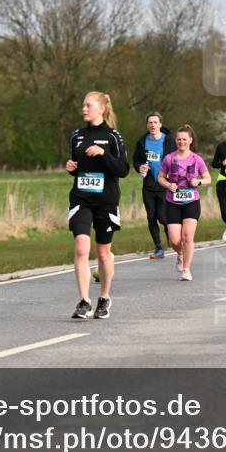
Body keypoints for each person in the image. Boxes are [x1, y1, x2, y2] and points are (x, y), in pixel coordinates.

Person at [66, 91, 129, 320]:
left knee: (103, 252)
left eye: (88, 105)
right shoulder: (77, 136)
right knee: (82, 248)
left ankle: (104, 297)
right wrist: (71, 168)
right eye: (83, 105)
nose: (84, 109)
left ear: (101, 109)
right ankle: (84, 301)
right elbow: (77, 167)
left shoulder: (113, 137)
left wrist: (103, 154)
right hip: (81, 199)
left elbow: (123, 169)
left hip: (106, 201)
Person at [158, 125, 212, 280]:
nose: (181, 142)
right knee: (175, 240)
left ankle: (186, 269)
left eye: (184, 139)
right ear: (176, 140)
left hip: (191, 201)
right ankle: (179, 253)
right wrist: (169, 185)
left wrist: (198, 182)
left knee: (187, 237)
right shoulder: (169, 158)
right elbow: (160, 177)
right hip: (172, 202)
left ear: (190, 140)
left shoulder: (197, 159)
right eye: (179, 139)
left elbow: (208, 179)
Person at [132, 112, 175, 259]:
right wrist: (140, 168)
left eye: (155, 122)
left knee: (162, 217)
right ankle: (158, 248)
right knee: (151, 217)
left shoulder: (168, 140)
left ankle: (170, 232)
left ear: (160, 124)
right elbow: (136, 160)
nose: (152, 125)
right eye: (150, 122)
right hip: (149, 185)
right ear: (147, 125)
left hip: (164, 184)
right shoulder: (142, 141)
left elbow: (176, 158)